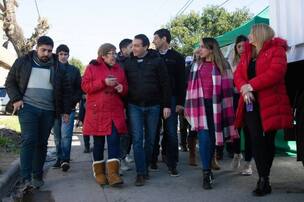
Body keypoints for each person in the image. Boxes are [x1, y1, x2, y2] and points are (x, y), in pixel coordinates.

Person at [5, 36, 71, 191]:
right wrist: (16, 99)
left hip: (49, 110)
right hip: (28, 107)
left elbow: (66, 90)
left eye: (49, 50)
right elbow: (10, 82)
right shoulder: (23, 61)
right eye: (43, 50)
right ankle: (25, 178)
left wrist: (66, 110)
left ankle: (37, 175)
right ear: (37, 48)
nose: (46, 53)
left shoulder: (58, 66)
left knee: (42, 143)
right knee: (29, 139)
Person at [234, 24, 293, 196]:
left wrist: (250, 86)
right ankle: (263, 179)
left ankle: (264, 176)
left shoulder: (277, 50)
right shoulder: (247, 53)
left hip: (272, 102)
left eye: (252, 33)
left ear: (260, 34)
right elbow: (238, 75)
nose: (249, 36)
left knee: (268, 141)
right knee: (256, 139)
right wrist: (244, 87)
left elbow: (276, 73)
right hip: (251, 102)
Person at [185, 37, 238, 190]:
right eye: (199, 47)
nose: (199, 49)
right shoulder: (196, 66)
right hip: (200, 106)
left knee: (213, 139)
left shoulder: (224, 65)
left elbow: (228, 91)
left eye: (202, 47)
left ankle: (208, 167)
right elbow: (190, 88)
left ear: (211, 49)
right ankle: (206, 173)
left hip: (217, 107)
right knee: (204, 139)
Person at [124, 34, 171, 186]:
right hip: (134, 106)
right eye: (133, 45)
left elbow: (165, 84)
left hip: (154, 106)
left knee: (150, 140)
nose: (134, 48)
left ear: (145, 47)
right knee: (137, 139)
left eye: (137, 46)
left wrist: (166, 105)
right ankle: (140, 173)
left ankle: (145, 168)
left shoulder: (156, 61)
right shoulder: (127, 62)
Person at [82, 43, 128, 187]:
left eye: (115, 53)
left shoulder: (119, 69)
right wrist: (103, 82)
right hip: (98, 112)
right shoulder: (92, 67)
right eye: (111, 53)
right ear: (103, 55)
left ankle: (113, 173)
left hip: (114, 111)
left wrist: (122, 88)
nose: (114, 56)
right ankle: (100, 173)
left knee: (114, 141)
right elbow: (85, 87)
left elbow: (126, 87)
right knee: (99, 143)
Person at [151, 28, 186, 176]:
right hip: (153, 99)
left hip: (171, 100)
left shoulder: (177, 57)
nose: (153, 41)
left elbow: (181, 81)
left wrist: (180, 102)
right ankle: (152, 159)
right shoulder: (151, 56)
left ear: (164, 39)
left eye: (156, 38)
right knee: (153, 130)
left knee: (171, 131)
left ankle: (172, 163)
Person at [52, 44, 82, 172]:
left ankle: (65, 159)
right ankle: (59, 158)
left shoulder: (74, 70)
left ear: (68, 55)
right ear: (57, 55)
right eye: (61, 54)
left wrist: (72, 102)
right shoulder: (52, 68)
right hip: (54, 108)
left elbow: (79, 89)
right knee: (57, 136)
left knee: (66, 135)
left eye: (66, 54)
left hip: (68, 108)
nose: (63, 56)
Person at [229, 35, 253, 176]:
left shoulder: (253, 60)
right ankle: (237, 154)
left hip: (249, 98)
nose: (242, 49)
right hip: (235, 97)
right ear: (235, 48)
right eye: (239, 46)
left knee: (249, 131)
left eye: (244, 46)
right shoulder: (231, 62)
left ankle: (248, 163)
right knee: (235, 130)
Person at [117, 38, 133, 172]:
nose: (134, 48)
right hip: (120, 103)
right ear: (123, 49)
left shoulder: (133, 60)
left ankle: (124, 155)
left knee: (129, 132)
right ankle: (120, 159)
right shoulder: (117, 64)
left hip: (132, 101)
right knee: (123, 133)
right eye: (131, 46)